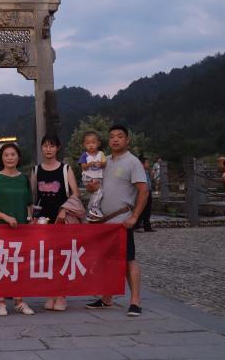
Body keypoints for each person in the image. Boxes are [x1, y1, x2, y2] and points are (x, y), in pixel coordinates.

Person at [85, 124, 149, 317]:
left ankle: (135, 301)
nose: (115, 139)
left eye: (120, 136)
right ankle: (106, 298)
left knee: (129, 259)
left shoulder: (132, 162)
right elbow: (96, 186)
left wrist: (135, 216)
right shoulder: (104, 161)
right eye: (112, 136)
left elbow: (143, 191)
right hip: (103, 220)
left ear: (127, 140)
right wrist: (91, 188)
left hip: (122, 219)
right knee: (107, 260)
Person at [0, 143, 35, 316]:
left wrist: (31, 219)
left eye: (13, 154)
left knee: (20, 264)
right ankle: (1, 302)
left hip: (20, 228)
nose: (10, 158)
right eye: (6, 155)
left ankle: (19, 301)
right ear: (1, 158)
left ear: (18, 157)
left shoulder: (24, 179)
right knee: (1, 264)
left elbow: (29, 203)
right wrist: (5, 217)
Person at [29, 134, 79, 312]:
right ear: (41, 148)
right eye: (45, 146)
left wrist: (65, 209)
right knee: (47, 258)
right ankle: (51, 293)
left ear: (58, 148)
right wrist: (32, 217)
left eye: (52, 146)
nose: (48, 149)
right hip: (44, 220)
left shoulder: (66, 169)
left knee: (62, 257)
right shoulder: (36, 170)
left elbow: (75, 193)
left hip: (62, 219)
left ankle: (62, 295)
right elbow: (33, 197)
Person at [79, 131, 107, 222]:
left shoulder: (101, 154)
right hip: (88, 177)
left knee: (95, 194)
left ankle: (90, 211)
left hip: (97, 177)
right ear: (84, 145)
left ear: (98, 143)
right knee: (100, 191)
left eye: (93, 143)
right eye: (88, 143)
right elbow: (83, 167)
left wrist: (100, 164)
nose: (90, 145)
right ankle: (94, 208)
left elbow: (104, 163)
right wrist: (89, 164)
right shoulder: (85, 155)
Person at [134, 156, 155, 232]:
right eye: (147, 162)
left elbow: (150, 181)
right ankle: (136, 226)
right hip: (142, 192)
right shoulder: (138, 172)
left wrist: (152, 175)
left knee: (148, 210)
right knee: (141, 209)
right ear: (142, 164)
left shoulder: (146, 172)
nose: (148, 164)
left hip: (148, 191)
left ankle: (147, 226)